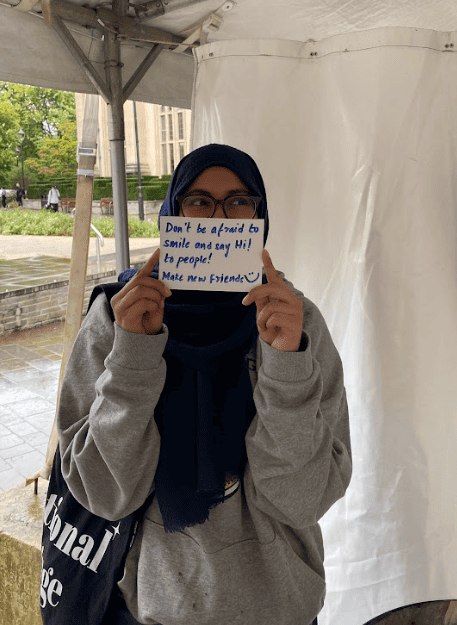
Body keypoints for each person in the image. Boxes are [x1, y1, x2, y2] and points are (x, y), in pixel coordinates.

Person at [56, 143, 352, 625]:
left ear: (260, 218)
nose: (219, 218)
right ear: (172, 212)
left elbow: (302, 499)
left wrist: (286, 363)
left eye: (239, 201)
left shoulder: (296, 324)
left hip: (283, 609)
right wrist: (132, 355)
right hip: (157, 611)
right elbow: (104, 493)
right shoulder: (118, 318)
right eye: (199, 201)